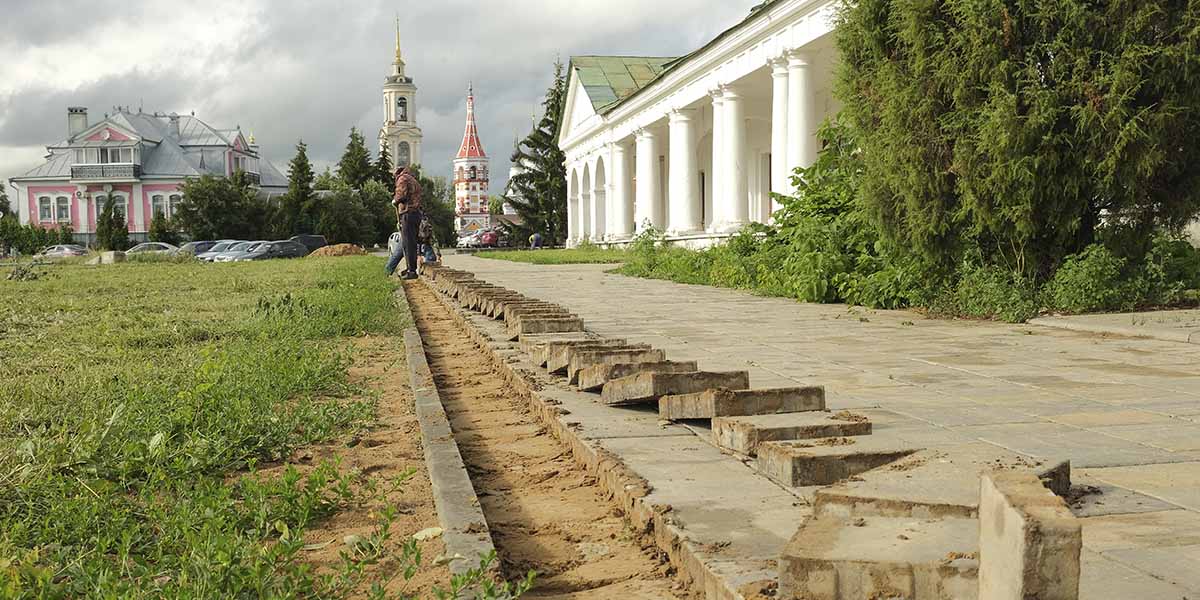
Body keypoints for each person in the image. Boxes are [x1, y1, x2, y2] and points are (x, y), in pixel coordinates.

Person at [393, 165, 423, 280]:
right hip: (416, 213)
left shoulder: (403, 179)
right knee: (411, 242)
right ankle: (410, 268)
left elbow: (401, 195)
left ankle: (411, 271)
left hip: (407, 213)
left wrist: (395, 200)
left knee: (408, 243)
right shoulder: (413, 180)